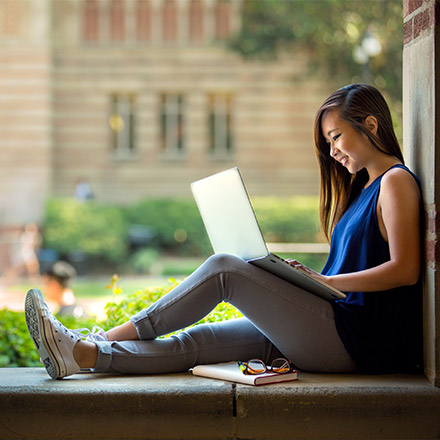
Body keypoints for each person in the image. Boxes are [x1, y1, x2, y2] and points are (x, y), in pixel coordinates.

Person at [24, 84, 423, 380]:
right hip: (329, 328)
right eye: (328, 142)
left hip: (354, 341)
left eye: (336, 137)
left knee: (225, 270)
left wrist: (326, 280)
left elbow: (406, 270)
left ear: (369, 124)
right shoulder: (363, 189)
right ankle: (82, 353)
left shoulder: (395, 182)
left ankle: (98, 335)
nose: (333, 151)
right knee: (198, 344)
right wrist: (302, 280)